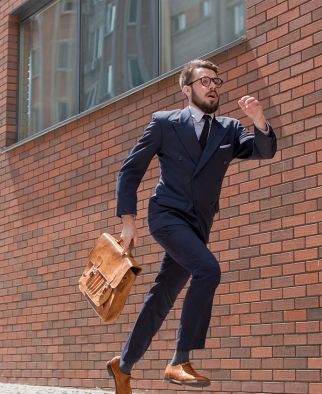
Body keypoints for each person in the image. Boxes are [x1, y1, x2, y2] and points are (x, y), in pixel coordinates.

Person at [106, 59, 277, 394]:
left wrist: (259, 121)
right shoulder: (164, 123)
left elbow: (264, 150)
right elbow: (130, 171)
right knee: (209, 270)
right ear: (187, 89)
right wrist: (128, 223)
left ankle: (122, 365)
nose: (213, 86)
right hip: (167, 216)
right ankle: (180, 361)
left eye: (217, 80)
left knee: (163, 295)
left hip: (198, 224)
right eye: (204, 81)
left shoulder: (229, 128)